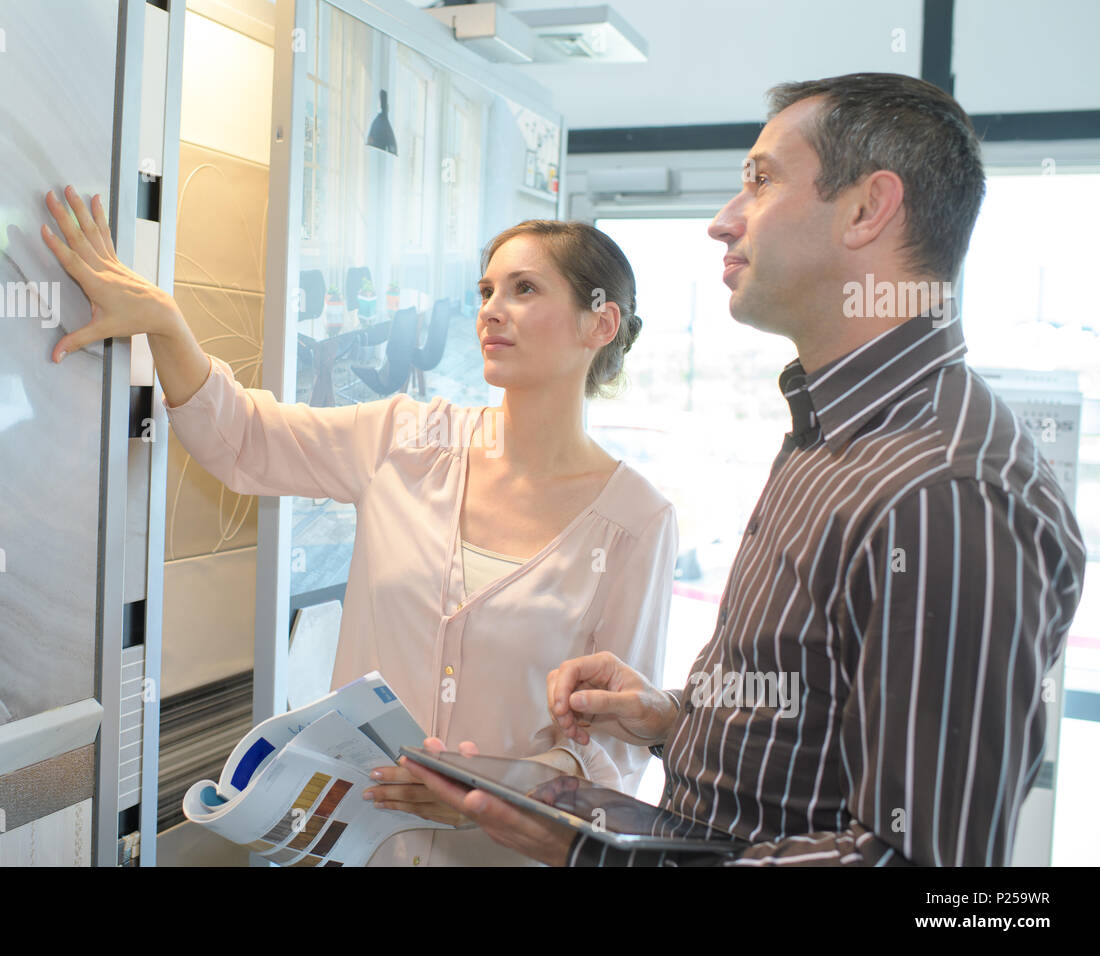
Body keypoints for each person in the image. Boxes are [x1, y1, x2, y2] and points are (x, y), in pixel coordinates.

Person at [404, 72, 1087, 866]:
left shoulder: (946, 489)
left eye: (760, 182)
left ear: (868, 209)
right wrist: (675, 720)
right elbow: (816, 739)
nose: (723, 223)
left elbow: (920, 863)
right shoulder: (830, 430)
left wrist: (603, 859)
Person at [39, 199, 677, 866]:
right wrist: (166, 325)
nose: (491, 309)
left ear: (599, 322)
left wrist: (492, 787)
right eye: (487, 289)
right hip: (359, 848)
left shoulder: (636, 521)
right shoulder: (405, 439)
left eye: (524, 289)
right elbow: (244, 442)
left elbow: (615, 752)